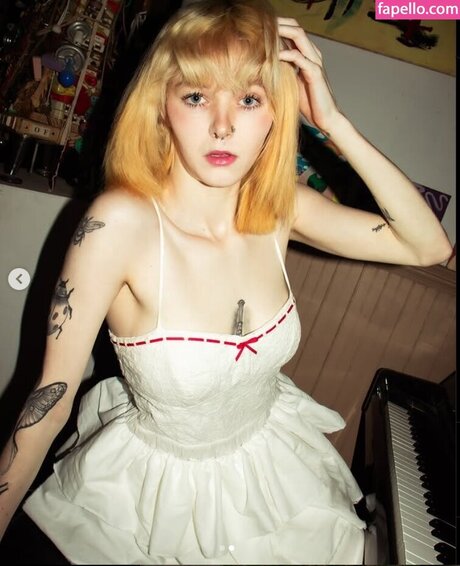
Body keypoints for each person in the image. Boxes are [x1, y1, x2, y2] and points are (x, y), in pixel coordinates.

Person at [0, 0, 452, 564]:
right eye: (196, 96)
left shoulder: (279, 209)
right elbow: (50, 401)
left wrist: (333, 122)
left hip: (270, 478)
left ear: (276, 112)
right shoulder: (119, 225)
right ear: (161, 106)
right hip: (151, 504)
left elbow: (428, 247)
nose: (223, 124)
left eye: (249, 98)